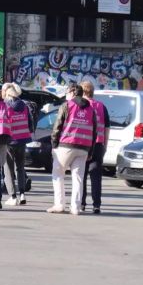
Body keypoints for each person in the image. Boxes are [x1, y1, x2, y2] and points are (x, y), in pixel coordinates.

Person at [49, 83, 97, 215]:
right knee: (78, 178)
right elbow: (94, 132)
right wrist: (90, 151)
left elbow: (57, 126)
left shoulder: (67, 105)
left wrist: (54, 145)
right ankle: (75, 207)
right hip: (84, 147)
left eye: (67, 92)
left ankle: (59, 204)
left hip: (66, 145)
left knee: (58, 173)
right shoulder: (91, 109)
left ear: (72, 93)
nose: (66, 95)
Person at [79, 81, 110, 214]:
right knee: (96, 176)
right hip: (98, 144)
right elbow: (107, 127)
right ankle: (96, 205)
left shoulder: (81, 105)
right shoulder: (101, 107)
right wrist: (105, 144)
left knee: (82, 175)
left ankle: (81, 203)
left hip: (83, 144)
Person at [2, 83, 34, 207]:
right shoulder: (25, 106)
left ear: (8, 94)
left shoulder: (6, 106)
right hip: (23, 140)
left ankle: (13, 196)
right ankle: (22, 194)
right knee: (20, 168)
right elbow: (30, 123)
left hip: (10, 141)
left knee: (8, 169)